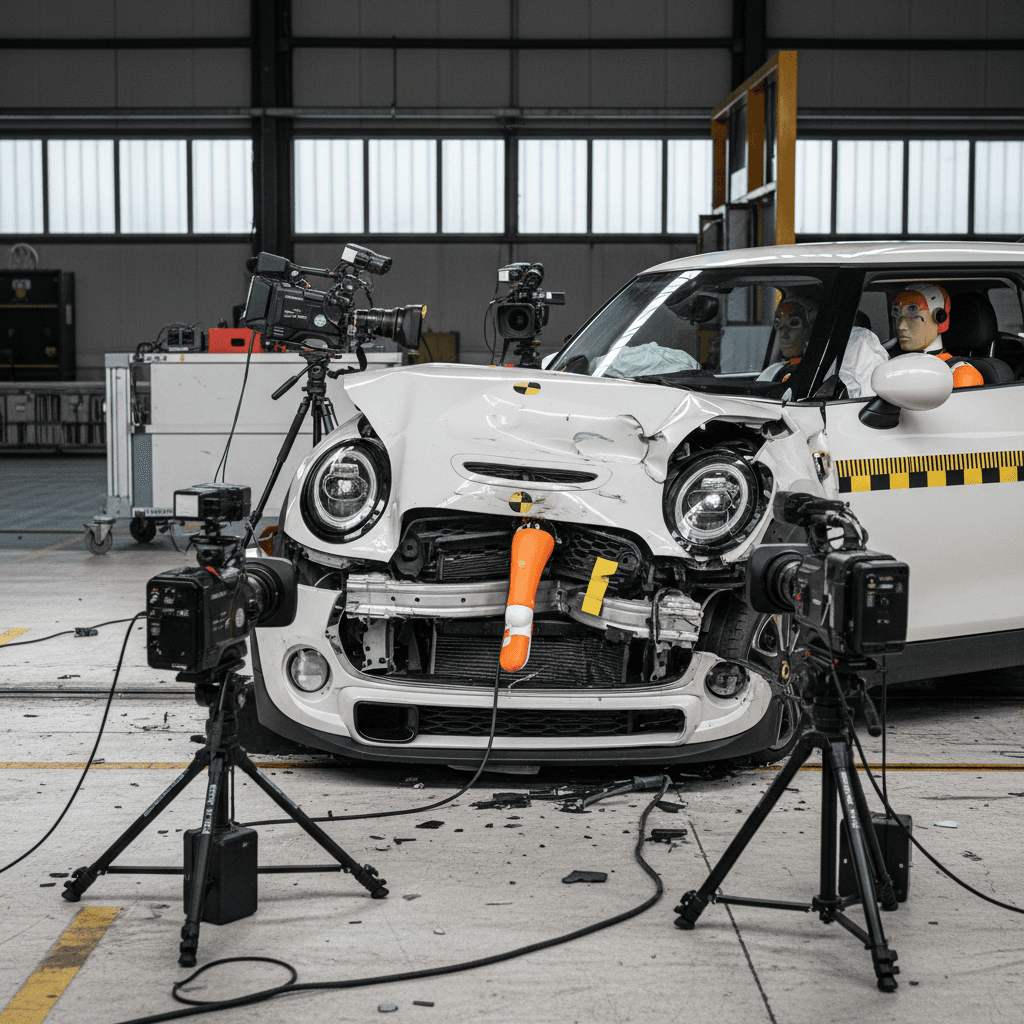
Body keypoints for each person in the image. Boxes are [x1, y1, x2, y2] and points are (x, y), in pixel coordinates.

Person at [758, 294, 888, 398]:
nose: (784, 335)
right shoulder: (773, 371)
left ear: (813, 327)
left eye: (794, 324)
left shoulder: (836, 367)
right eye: (779, 325)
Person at [891, 283, 983, 388]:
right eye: (898, 317)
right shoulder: (891, 362)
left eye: (912, 317)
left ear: (939, 319)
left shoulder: (961, 374)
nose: (901, 326)